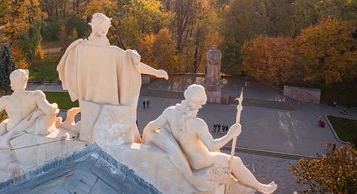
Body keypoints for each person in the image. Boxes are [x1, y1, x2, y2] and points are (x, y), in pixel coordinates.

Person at [143, 85, 277, 194]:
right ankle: (261, 187)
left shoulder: (169, 112)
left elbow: (151, 127)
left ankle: (257, 186)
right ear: (200, 103)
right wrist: (230, 135)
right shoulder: (198, 123)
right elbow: (212, 146)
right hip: (203, 161)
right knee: (235, 161)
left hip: (190, 161)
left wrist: (150, 139)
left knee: (233, 162)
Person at [57, 13, 168, 144]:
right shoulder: (113, 52)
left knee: (91, 132)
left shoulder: (78, 49)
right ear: (104, 29)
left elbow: (65, 69)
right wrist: (155, 72)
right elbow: (134, 66)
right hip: (109, 103)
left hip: (88, 100)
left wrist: (154, 71)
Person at [0, 69, 59, 150]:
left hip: (12, 130)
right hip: (27, 128)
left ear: (12, 84)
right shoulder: (36, 95)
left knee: (3, 125)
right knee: (2, 125)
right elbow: (49, 111)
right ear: (25, 81)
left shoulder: (6, 100)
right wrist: (54, 105)